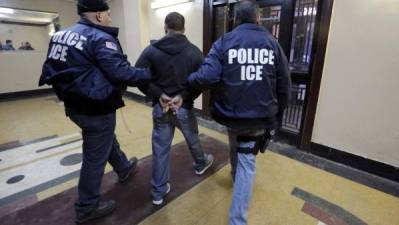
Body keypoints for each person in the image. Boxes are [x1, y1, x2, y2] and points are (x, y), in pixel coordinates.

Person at [39, 0, 151, 223]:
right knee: (94, 156)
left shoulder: (61, 34)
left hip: (73, 105)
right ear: (99, 15)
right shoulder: (100, 37)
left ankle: (123, 167)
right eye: (108, 14)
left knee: (102, 138)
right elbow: (121, 73)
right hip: (96, 106)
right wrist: (150, 74)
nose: (110, 18)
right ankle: (86, 206)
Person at [187, 1, 291, 224]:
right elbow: (284, 85)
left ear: (234, 20)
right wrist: (277, 117)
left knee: (236, 145)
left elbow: (207, 77)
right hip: (258, 117)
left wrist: (189, 81)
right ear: (258, 19)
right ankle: (238, 218)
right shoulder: (272, 43)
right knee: (246, 160)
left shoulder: (223, 42)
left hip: (230, 114)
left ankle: (237, 180)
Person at [135, 12, 214, 206]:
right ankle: (201, 164)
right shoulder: (195, 52)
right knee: (193, 138)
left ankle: (158, 192)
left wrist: (158, 95)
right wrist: (183, 97)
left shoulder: (151, 51)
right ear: (184, 28)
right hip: (184, 108)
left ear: (165, 27)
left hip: (161, 109)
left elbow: (137, 76)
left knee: (160, 149)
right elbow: (203, 82)